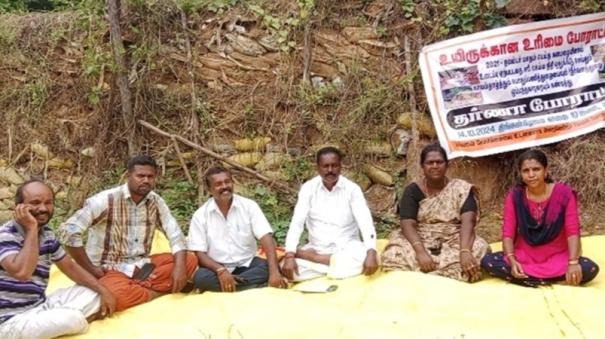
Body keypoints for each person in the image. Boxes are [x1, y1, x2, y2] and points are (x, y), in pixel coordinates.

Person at [58, 155, 198, 311]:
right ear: (128, 176)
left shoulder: (156, 202)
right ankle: (154, 292)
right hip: (108, 270)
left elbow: (176, 235)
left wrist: (179, 268)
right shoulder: (106, 200)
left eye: (150, 177)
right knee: (114, 295)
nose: (145, 180)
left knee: (189, 260)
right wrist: (91, 269)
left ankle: (138, 287)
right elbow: (69, 232)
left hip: (143, 267)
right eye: (140, 176)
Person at [0, 180, 116, 339]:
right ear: (19, 207)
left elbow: (71, 268)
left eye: (48, 203)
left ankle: (55, 322)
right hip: (9, 320)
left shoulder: (47, 234)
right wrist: (31, 228)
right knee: (71, 319)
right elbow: (22, 273)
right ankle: (74, 320)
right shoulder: (6, 235)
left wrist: (103, 290)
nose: (43, 208)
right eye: (35, 203)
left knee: (96, 292)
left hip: (40, 306)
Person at [481, 149, 599, 287]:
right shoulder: (515, 196)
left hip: (557, 255)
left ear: (546, 170)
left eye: (536, 169)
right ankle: (553, 280)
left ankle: (529, 280)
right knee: (487, 261)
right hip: (525, 255)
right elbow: (508, 234)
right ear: (520, 173)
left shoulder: (564, 193)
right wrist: (512, 261)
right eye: (526, 171)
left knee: (589, 268)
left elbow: (572, 231)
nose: (531, 175)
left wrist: (573, 262)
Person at [381, 143, 490, 282]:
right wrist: (420, 253)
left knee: (480, 248)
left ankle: (429, 276)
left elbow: (468, 222)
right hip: (420, 238)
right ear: (422, 166)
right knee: (394, 253)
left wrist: (465, 251)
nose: (435, 166)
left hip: (454, 238)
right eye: (429, 163)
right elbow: (407, 224)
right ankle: (446, 274)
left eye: (439, 162)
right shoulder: (413, 190)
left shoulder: (461, 189)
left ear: (447, 165)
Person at [281, 146, 379, 282]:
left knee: (368, 257)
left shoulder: (352, 189)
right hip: (317, 247)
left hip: (346, 247)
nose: (330, 170)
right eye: (325, 166)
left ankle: (314, 261)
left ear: (341, 166)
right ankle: (334, 268)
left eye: (334, 166)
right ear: (318, 168)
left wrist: (371, 252)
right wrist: (290, 256)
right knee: (284, 267)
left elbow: (365, 222)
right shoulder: (308, 189)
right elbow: (297, 223)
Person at [188, 167, 287, 292]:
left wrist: (274, 273)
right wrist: (221, 271)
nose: (224, 186)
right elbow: (200, 253)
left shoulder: (249, 206)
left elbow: (266, 237)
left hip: (248, 264)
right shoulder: (200, 215)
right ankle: (250, 284)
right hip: (217, 268)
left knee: (271, 267)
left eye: (227, 182)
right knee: (200, 278)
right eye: (218, 184)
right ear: (209, 189)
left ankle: (231, 285)